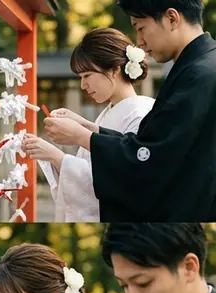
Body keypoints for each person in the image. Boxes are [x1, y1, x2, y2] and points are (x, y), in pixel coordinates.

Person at [41, 0, 216, 222]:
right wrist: (90, 129)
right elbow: (151, 146)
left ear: (172, 18)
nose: (140, 42)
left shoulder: (199, 75)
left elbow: (153, 159)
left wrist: (80, 138)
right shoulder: (199, 67)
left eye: (141, 28)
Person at [23, 28, 155, 221]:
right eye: (80, 78)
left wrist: (57, 157)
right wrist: (82, 125)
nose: (83, 85)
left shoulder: (141, 114)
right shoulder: (108, 112)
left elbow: (123, 182)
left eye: (87, 76)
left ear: (114, 69)